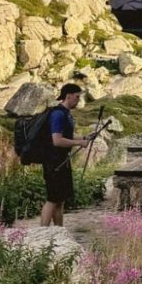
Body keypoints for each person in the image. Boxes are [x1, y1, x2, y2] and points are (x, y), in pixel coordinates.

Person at [39, 83, 91, 227]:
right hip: (53, 162)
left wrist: (82, 138)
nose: (78, 100)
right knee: (52, 199)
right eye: (77, 97)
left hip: (62, 161)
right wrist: (79, 143)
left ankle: (59, 232)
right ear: (68, 96)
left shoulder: (65, 114)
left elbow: (66, 136)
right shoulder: (58, 114)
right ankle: (42, 233)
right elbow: (57, 140)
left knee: (60, 199)